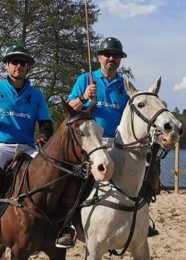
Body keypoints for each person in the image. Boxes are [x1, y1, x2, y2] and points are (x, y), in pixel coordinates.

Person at [56, 37, 158, 248]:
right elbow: (68, 108)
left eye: (116, 55)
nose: (111, 58)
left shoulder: (125, 85)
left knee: (144, 174)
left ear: (120, 60)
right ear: (100, 57)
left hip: (119, 143)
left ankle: (142, 221)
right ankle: (69, 226)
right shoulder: (86, 79)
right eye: (107, 54)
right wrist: (84, 97)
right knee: (79, 180)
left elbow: (134, 115)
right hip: (91, 142)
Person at [0, 43, 54, 249]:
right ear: (7, 65)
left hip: (27, 146)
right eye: (14, 62)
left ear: (27, 67)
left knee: (51, 176)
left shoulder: (36, 95)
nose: (18, 66)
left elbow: (47, 124)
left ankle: (57, 224)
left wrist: (42, 136)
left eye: (23, 62)